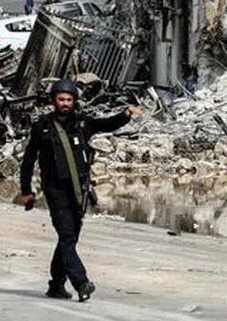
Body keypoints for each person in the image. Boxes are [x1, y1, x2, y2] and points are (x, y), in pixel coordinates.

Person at [19, 79, 141, 302]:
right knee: (66, 235)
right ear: (54, 101)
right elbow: (28, 161)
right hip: (55, 191)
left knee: (69, 239)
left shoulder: (83, 124)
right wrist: (26, 190)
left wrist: (126, 114)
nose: (65, 103)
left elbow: (107, 124)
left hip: (78, 191)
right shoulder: (42, 127)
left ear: (74, 101)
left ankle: (56, 285)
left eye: (69, 99)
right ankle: (81, 283)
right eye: (61, 99)